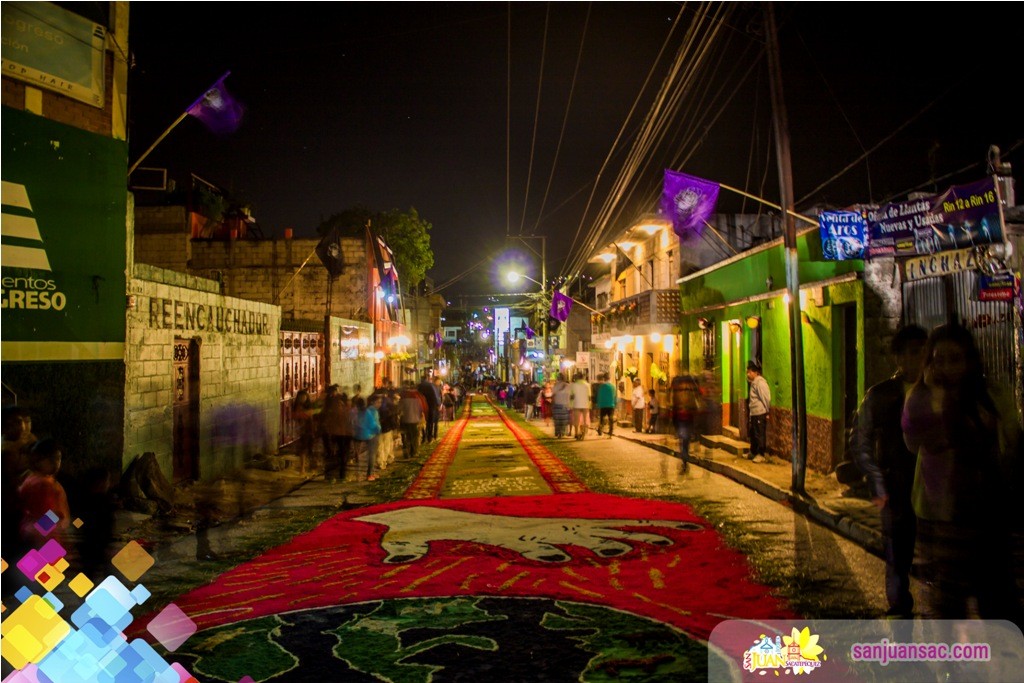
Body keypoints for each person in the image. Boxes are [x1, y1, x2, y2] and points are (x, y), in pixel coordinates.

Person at [901, 323, 1022, 621]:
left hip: (988, 511)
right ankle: (949, 665)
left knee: (997, 595)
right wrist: (940, 397)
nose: (946, 367)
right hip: (942, 515)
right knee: (948, 599)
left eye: (955, 359)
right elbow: (914, 441)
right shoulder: (922, 398)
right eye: (938, 359)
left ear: (969, 360)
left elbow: (1012, 441)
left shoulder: (991, 394)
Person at [848, 324, 927, 618]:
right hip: (896, 489)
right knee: (897, 557)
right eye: (913, 352)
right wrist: (877, 479)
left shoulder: (937, 392)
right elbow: (860, 439)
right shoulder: (881, 396)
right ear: (899, 357)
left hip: (933, 491)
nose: (920, 359)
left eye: (925, 352)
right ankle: (900, 615)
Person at [18, 438, 71, 549]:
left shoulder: (35, 479)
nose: (56, 463)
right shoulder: (42, 484)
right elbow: (48, 514)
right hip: (44, 541)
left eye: (58, 459)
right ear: (38, 460)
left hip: (39, 536)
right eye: (51, 459)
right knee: (48, 566)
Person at [670, 375, 702, 472]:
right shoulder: (691, 389)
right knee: (685, 440)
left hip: (681, 418)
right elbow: (698, 400)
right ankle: (685, 458)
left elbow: (672, 404)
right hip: (688, 417)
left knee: (683, 440)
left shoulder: (677, 390)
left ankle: (684, 459)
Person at [746, 360, 770, 463]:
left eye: (750, 372)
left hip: (760, 413)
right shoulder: (753, 383)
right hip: (754, 413)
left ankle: (761, 454)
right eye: (748, 372)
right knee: (753, 433)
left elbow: (765, 397)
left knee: (760, 434)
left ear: (755, 372)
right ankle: (753, 452)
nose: (748, 374)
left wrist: (767, 411)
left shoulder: (760, 383)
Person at [355, 395, 383, 481]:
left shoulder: (358, 412)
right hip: (371, 435)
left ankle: (365, 474)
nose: (380, 404)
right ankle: (369, 474)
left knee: (362, 455)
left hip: (360, 434)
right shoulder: (370, 411)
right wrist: (378, 429)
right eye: (378, 402)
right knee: (372, 455)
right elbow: (372, 424)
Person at [399, 383, 426, 459]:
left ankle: (409, 452)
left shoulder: (403, 399)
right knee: (415, 437)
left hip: (406, 420)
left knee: (408, 437)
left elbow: (399, 410)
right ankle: (415, 452)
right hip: (415, 420)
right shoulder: (418, 399)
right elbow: (422, 409)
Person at [292, 389, 315, 474]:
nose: (302, 399)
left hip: (309, 430)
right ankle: (302, 468)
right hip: (301, 431)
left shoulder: (309, 406)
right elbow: (294, 416)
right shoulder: (296, 406)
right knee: (302, 450)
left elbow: (310, 416)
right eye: (300, 397)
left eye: (304, 397)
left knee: (309, 449)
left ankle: (309, 465)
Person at [417, 375, 440, 442]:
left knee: (423, 423)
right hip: (431, 406)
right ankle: (430, 436)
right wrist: (438, 404)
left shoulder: (419, 386)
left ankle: (424, 437)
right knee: (431, 422)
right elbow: (435, 397)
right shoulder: (431, 386)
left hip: (422, 406)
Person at [570, 373, 591, 440]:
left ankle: (576, 433)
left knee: (577, 420)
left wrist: (571, 405)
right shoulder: (587, 385)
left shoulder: (574, 385)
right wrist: (590, 405)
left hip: (576, 404)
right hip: (585, 404)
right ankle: (583, 433)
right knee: (585, 420)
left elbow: (571, 396)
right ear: (583, 377)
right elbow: (589, 396)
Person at [551, 374, 572, 438]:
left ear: (558, 378)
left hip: (557, 404)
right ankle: (562, 433)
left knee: (557, 420)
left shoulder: (555, 386)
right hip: (565, 405)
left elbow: (553, 396)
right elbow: (570, 396)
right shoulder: (568, 386)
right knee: (563, 420)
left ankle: (558, 432)